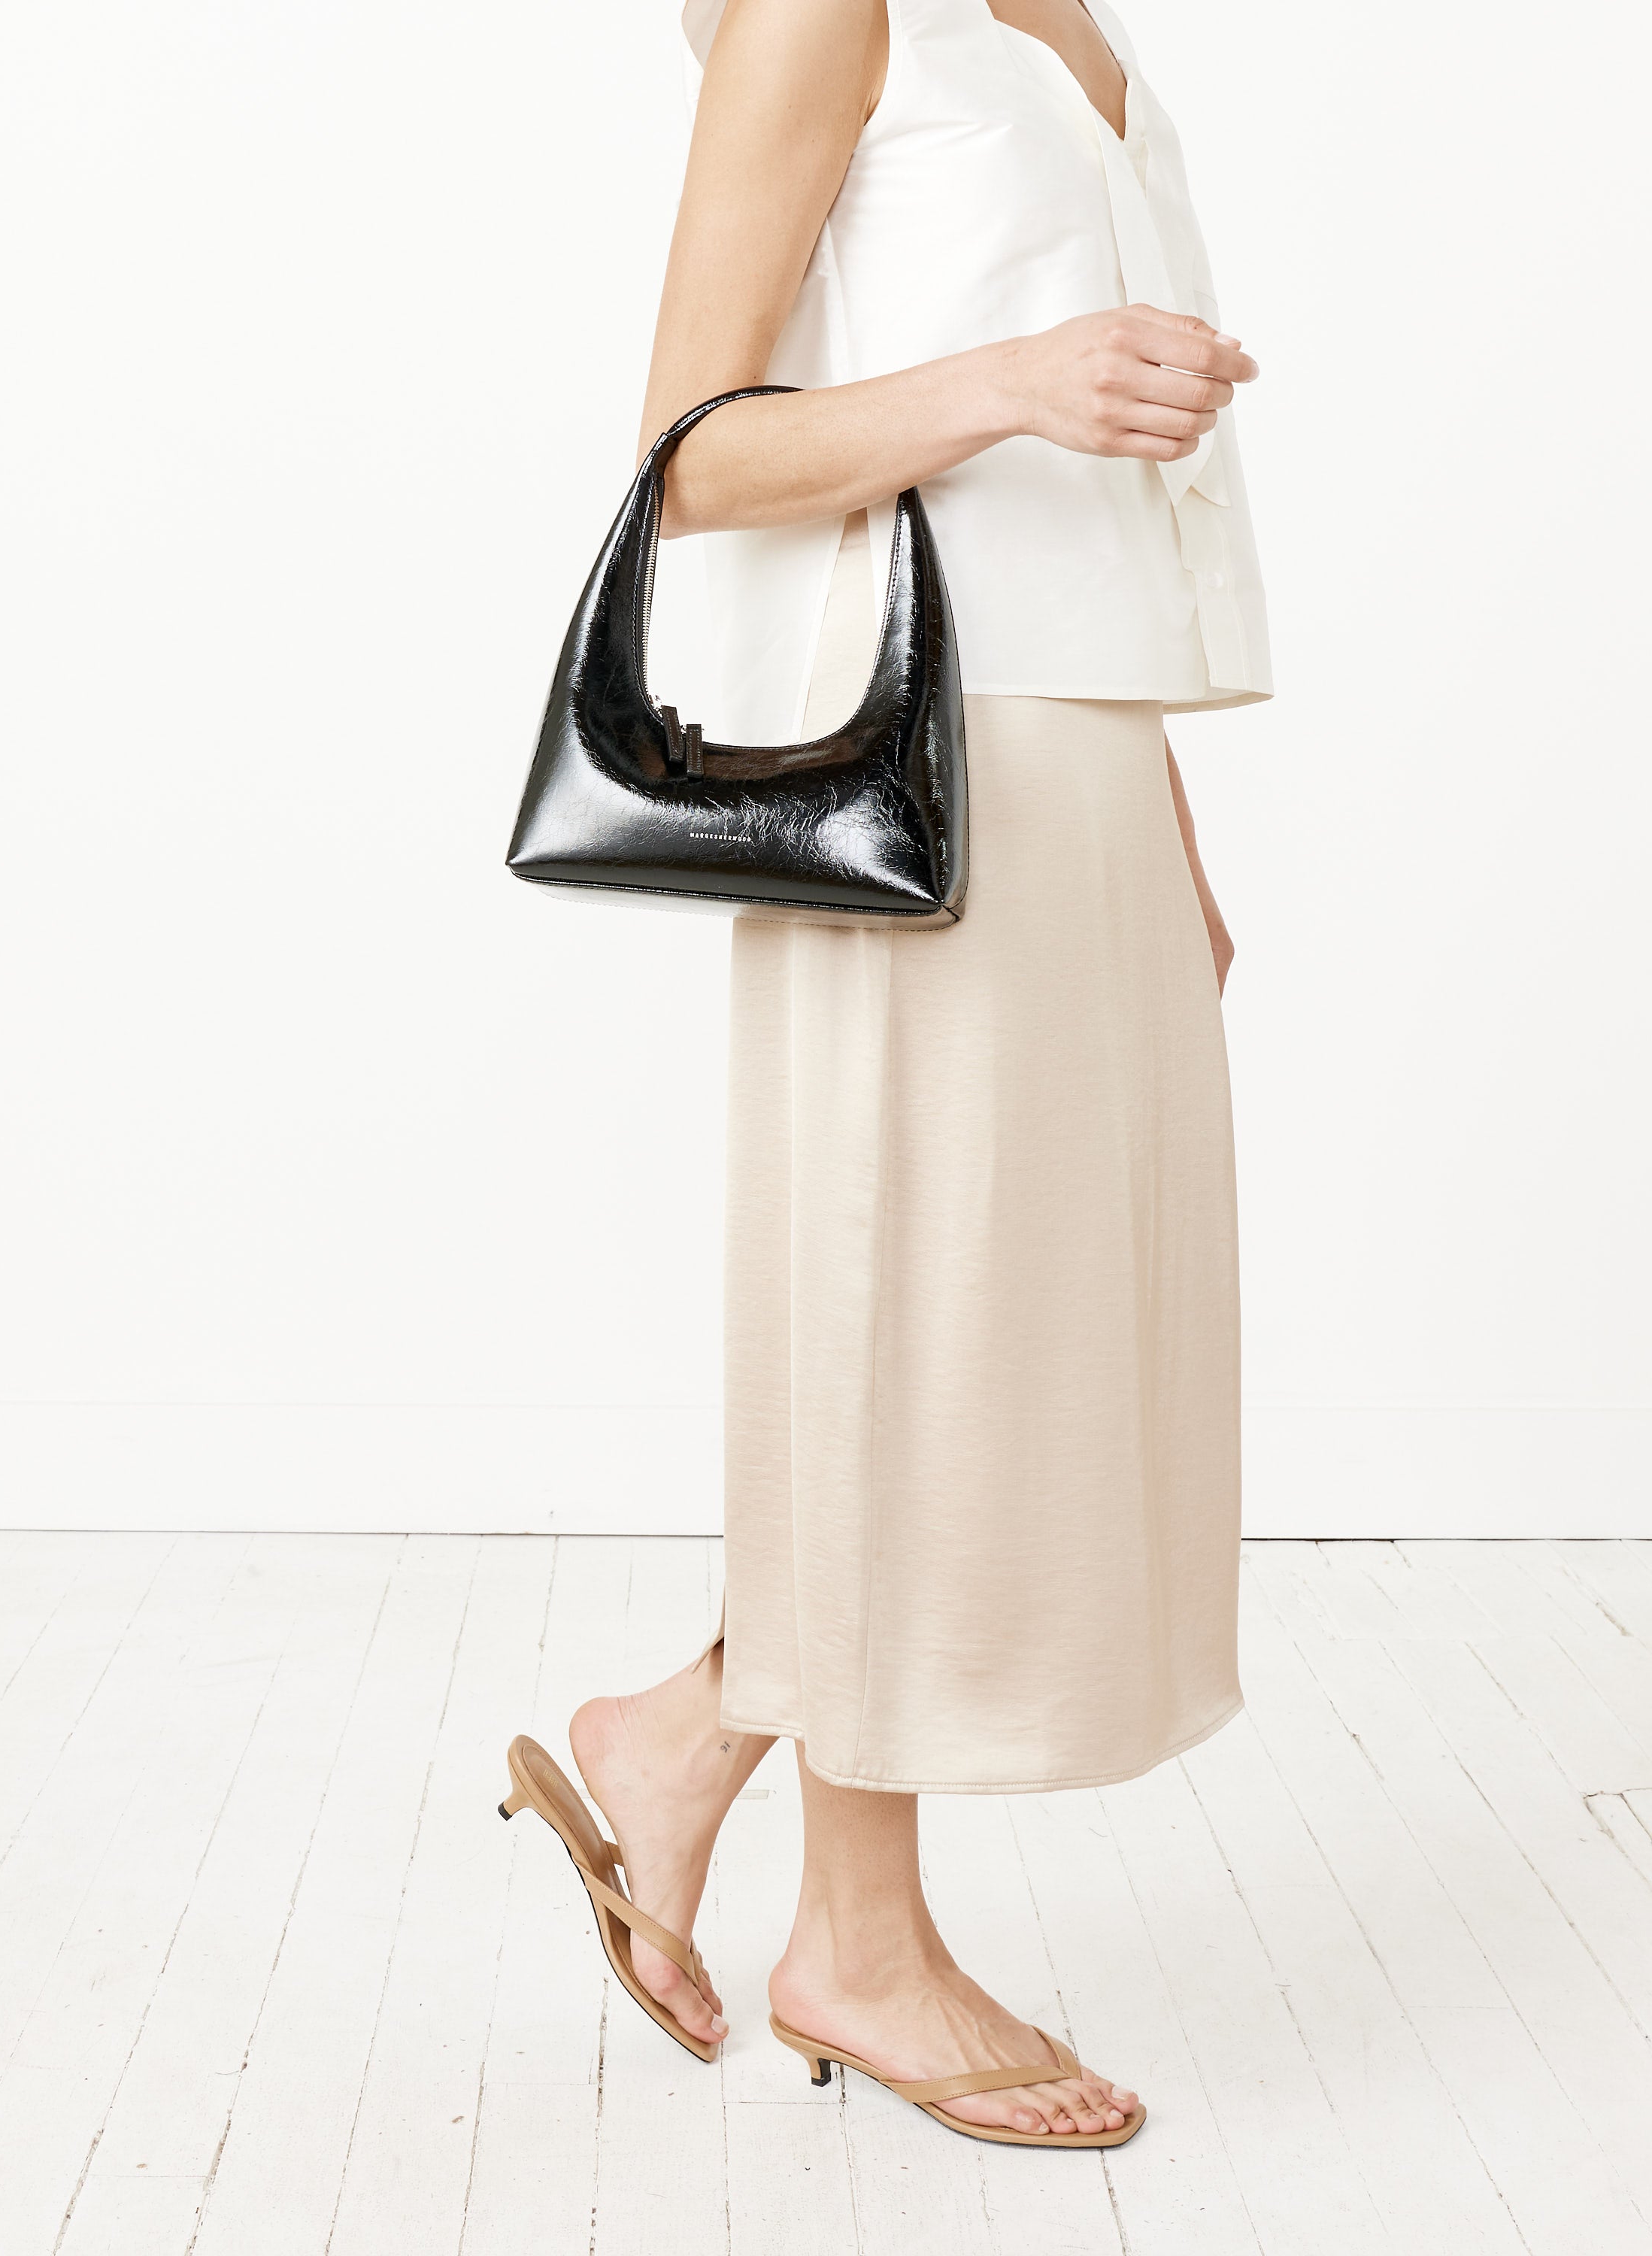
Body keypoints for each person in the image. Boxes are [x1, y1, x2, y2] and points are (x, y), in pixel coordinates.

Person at [501, 0, 1269, 2147]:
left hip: (1077, 752)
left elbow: (1092, 521)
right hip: (915, 770)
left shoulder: (1068, 16)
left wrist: (1171, 828)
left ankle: (679, 1739)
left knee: (1001, 1348)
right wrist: (1020, 383)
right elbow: (692, 448)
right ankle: (862, 1939)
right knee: (918, 1338)